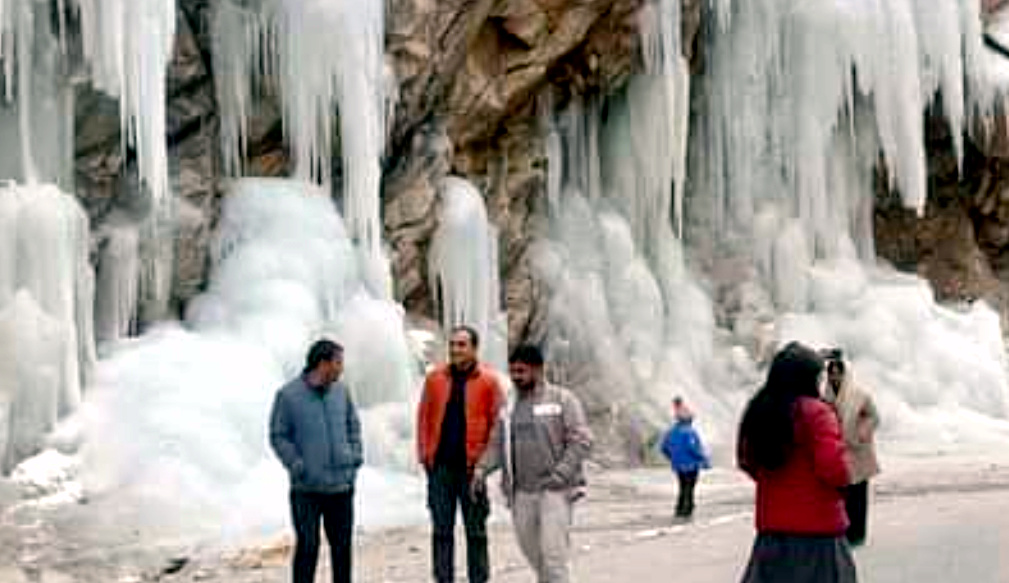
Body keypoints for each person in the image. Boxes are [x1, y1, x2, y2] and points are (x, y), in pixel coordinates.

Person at [737, 342, 856, 583]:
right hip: (818, 532)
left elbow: (747, 460)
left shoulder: (759, 411)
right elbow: (834, 470)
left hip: (772, 532)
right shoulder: (817, 413)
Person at [474, 344, 592, 583]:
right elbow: (497, 443)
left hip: (555, 491)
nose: (516, 377)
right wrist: (482, 468)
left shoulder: (563, 400)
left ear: (538, 370)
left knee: (553, 554)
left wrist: (561, 474)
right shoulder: (509, 406)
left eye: (521, 371)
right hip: (521, 493)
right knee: (532, 552)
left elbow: (581, 440)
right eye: (513, 372)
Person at [269, 339, 363, 583]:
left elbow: (353, 426)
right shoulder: (288, 395)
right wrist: (297, 466)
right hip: (306, 490)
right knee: (308, 547)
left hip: (341, 486)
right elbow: (278, 435)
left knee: (342, 549)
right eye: (338, 362)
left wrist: (355, 457)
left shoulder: (342, 392)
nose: (342, 368)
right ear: (322, 364)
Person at [416, 326, 504, 583]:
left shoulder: (488, 382)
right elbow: (423, 418)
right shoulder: (434, 380)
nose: (455, 349)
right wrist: (424, 456)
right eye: (453, 344)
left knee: (476, 531)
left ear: (474, 349)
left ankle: (479, 579)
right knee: (441, 531)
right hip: (440, 468)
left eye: (462, 345)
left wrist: (486, 465)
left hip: (472, 470)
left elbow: (497, 426)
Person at [822, 349, 880, 547]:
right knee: (842, 497)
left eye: (838, 372)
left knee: (858, 497)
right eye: (831, 372)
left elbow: (873, 416)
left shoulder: (859, 395)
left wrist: (861, 434)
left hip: (858, 453)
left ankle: (858, 534)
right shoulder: (825, 398)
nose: (835, 376)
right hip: (838, 454)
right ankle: (844, 533)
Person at [660, 396, 710, 520]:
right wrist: (704, 459)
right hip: (690, 465)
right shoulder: (690, 432)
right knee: (689, 487)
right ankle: (687, 509)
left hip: (677, 465)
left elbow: (664, 448)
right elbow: (693, 449)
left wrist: (672, 458)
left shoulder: (670, 432)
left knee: (682, 486)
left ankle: (679, 509)